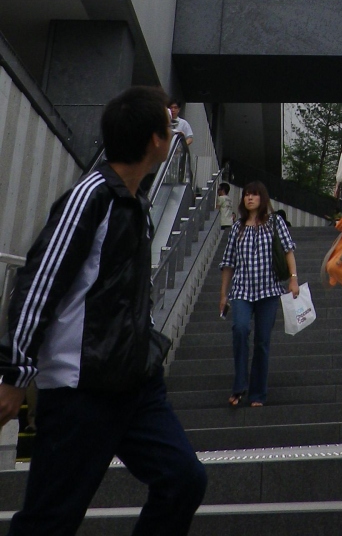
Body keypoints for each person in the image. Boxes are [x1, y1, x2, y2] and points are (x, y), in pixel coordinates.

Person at [0, 85, 207, 534]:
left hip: (135, 384)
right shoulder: (89, 198)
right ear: (156, 140)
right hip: (81, 388)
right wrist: (16, 373)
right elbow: (38, 283)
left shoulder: (137, 203)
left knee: (184, 480)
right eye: (168, 126)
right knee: (49, 520)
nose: (173, 133)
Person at [219, 181, 298, 408]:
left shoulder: (275, 223)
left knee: (262, 342)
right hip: (242, 290)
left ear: (262, 198)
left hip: (269, 290)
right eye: (246, 195)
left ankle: (258, 394)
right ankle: (239, 385)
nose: (249, 198)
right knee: (240, 329)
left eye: (254, 195)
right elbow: (228, 264)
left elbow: (288, 250)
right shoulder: (237, 227)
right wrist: (223, 295)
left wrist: (293, 278)